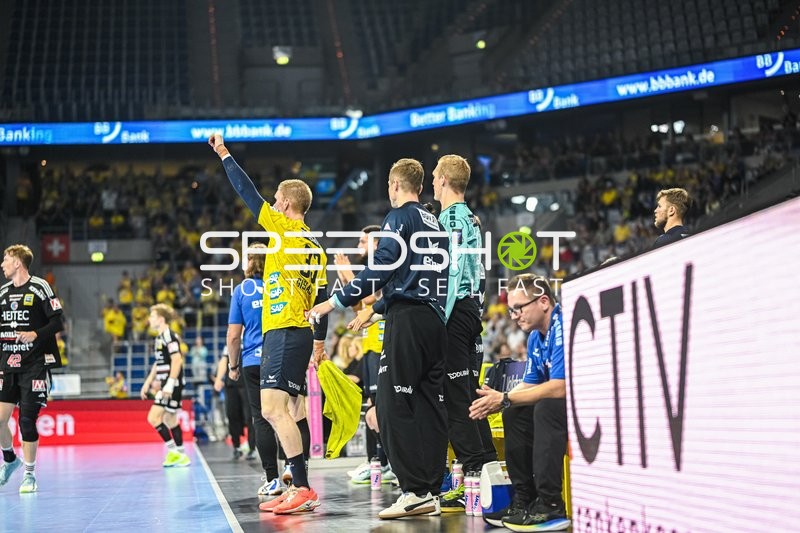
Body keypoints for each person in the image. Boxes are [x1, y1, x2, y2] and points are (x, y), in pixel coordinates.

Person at [309, 158, 450, 519]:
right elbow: (420, 277)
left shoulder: (398, 218)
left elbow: (383, 265)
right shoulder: (436, 224)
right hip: (435, 319)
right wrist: (376, 309)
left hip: (409, 321)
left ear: (394, 185)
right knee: (429, 405)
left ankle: (413, 490)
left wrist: (335, 301)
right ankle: (432, 489)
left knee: (389, 405)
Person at [210, 133, 328, 515]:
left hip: (284, 331)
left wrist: (224, 153)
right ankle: (296, 483)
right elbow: (322, 295)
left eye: (277, 198)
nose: (272, 204)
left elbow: (247, 193)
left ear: (288, 204)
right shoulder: (315, 245)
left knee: (274, 410)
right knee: (285, 410)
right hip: (299, 332)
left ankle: (304, 488)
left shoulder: (285, 229)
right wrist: (319, 341)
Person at [469, 274, 569, 531]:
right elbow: (531, 384)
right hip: (559, 405)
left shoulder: (563, 325)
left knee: (545, 407)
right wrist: (501, 398)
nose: (513, 315)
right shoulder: (536, 336)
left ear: (543, 301)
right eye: (511, 310)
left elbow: (560, 387)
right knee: (513, 412)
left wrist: (504, 397)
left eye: (518, 308)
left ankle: (551, 504)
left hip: (584, 403)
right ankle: (525, 499)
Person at [431, 155, 497, 512]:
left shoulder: (452, 217)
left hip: (456, 310)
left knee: (455, 397)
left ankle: (473, 472)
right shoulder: (470, 216)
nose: (431, 181)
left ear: (442, 179)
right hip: (470, 308)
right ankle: (485, 468)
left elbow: (453, 270)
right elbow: (480, 271)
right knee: (468, 394)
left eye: (434, 176)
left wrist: (441, 313)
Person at [226, 244, 311, 498]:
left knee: (261, 418)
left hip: (254, 360)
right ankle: (297, 471)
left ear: (250, 262)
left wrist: (233, 366)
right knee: (296, 412)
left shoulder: (242, 290)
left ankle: (273, 480)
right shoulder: (284, 283)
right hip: (288, 353)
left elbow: (233, 335)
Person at [333, 225, 395, 485]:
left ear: (377, 243)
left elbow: (372, 299)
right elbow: (360, 306)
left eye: (363, 241)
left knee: (383, 407)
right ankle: (378, 462)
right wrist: (349, 280)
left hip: (384, 345)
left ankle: (389, 462)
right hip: (370, 344)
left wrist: (349, 278)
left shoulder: (386, 265)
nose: (359, 245)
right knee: (372, 406)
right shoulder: (371, 268)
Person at [0, 245, 65, 493]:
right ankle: (9, 460)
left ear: (18, 262)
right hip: (7, 364)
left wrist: (34, 334)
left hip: (34, 364)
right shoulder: (3, 292)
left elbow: (58, 321)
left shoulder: (40, 287)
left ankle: (29, 475)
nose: (2, 264)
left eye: (6, 259)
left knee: (27, 421)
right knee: (0, 420)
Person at [140, 304, 190, 468]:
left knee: (153, 418)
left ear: (161, 319)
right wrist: (148, 382)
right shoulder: (160, 337)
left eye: (152, 316)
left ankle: (174, 452)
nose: (149, 319)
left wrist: (169, 384)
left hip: (172, 383)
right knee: (170, 418)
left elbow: (177, 360)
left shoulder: (169, 336)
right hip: (166, 383)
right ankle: (181, 454)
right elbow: (159, 362)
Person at [214, 346, 255, 460]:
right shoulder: (230, 340)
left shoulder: (250, 336)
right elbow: (224, 359)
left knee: (250, 416)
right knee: (232, 414)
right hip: (231, 383)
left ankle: (252, 447)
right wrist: (218, 378)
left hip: (247, 382)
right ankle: (236, 446)